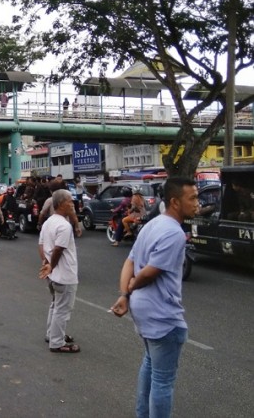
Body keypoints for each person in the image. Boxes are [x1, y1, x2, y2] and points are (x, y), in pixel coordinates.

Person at [110, 178, 199, 418]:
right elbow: (149, 272)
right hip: (162, 316)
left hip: (143, 311)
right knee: (163, 380)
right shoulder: (174, 233)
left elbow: (130, 261)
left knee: (150, 365)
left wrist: (125, 294)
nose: (197, 203)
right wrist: (133, 285)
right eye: (192, 198)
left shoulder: (152, 224)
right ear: (175, 202)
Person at [38, 189, 80, 353]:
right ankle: (57, 342)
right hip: (64, 275)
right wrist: (51, 265)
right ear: (61, 203)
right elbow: (58, 249)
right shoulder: (64, 225)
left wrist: (46, 263)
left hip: (53, 275)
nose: (72, 204)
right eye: (70, 201)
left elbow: (41, 245)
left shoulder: (49, 222)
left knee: (55, 305)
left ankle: (52, 334)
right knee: (62, 309)